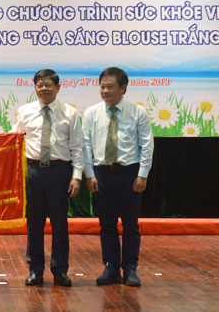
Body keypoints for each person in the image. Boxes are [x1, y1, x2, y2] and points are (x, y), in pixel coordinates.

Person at [83, 67, 154, 287]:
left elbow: (147, 145)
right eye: (102, 87)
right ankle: (111, 267)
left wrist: (142, 175)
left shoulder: (137, 112)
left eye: (110, 87)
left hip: (129, 174)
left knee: (131, 225)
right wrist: (89, 174)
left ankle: (130, 269)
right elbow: (86, 146)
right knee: (107, 225)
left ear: (123, 88)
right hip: (102, 174)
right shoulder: (91, 113)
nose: (105, 91)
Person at [13, 69, 84, 287]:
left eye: (48, 85)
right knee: (34, 224)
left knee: (60, 224)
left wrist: (77, 177)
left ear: (58, 87)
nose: (44, 88)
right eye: (40, 85)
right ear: (35, 87)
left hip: (59, 172)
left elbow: (77, 147)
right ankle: (35, 270)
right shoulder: (25, 111)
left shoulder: (69, 113)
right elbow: (14, 141)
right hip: (33, 172)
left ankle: (60, 271)